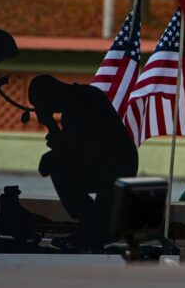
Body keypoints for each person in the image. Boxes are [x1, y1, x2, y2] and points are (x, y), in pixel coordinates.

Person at [28, 75, 138, 252]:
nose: (50, 109)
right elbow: (71, 148)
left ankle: (90, 223)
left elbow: (76, 149)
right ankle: (90, 225)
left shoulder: (84, 101)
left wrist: (50, 126)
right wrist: (50, 124)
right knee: (56, 162)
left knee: (56, 164)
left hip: (114, 166)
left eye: (45, 104)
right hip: (107, 163)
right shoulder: (77, 102)